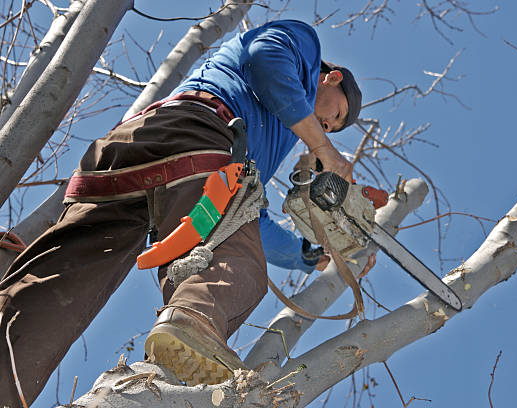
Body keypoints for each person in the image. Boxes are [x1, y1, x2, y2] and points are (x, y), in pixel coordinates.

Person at [0, 19, 365, 404]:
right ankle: (192, 320)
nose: (326, 125)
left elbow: (244, 217)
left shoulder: (277, 131)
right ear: (332, 77)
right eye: (335, 115)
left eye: (330, 127)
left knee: (58, 290)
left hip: (132, 155)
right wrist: (323, 147)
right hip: (199, 132)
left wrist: (307, 254)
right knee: (238, 270)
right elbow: (265, 59)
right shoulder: (303, 50)